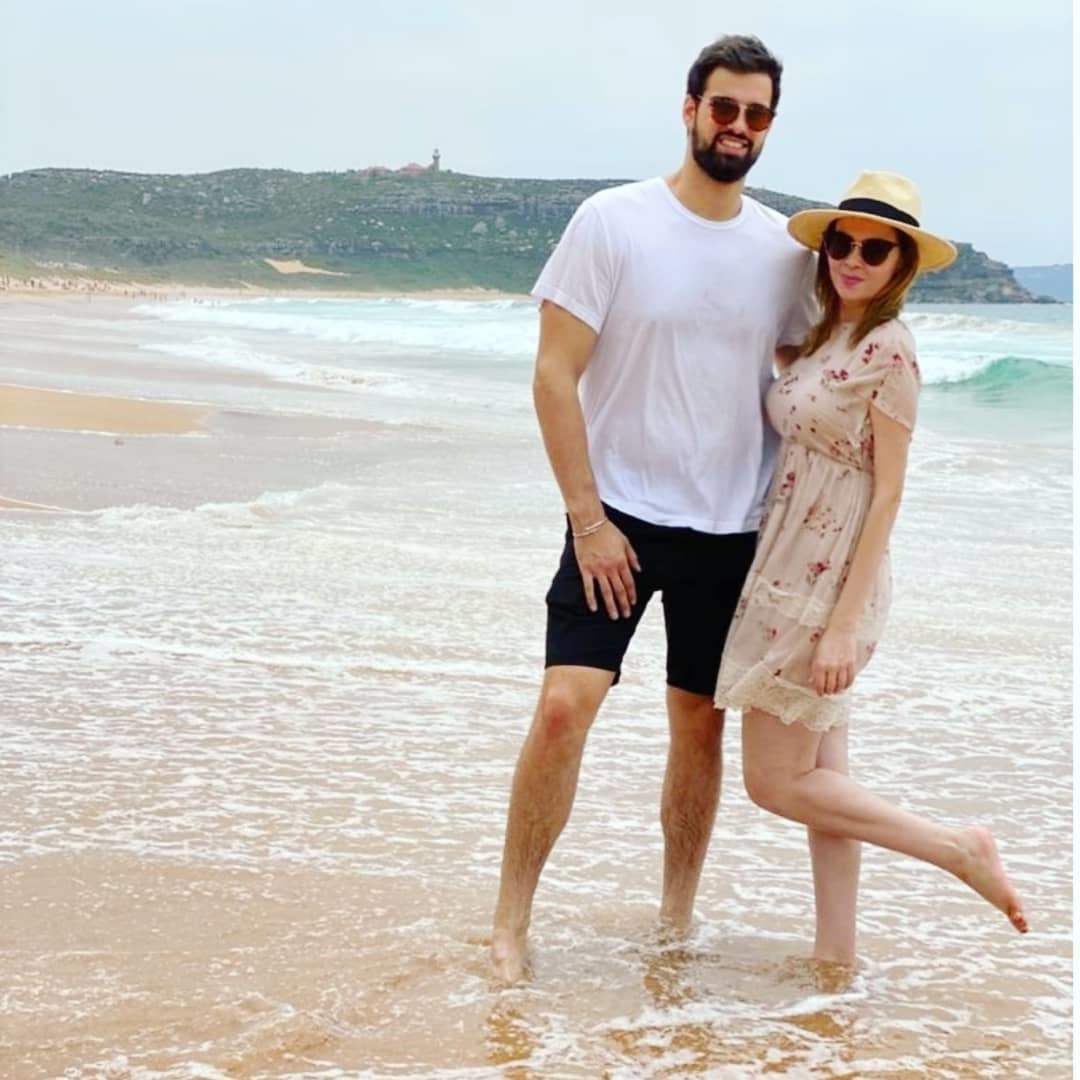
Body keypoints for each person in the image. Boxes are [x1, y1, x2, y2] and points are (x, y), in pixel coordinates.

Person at [491, 34, 862, 985]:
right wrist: (587, 520)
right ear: (690, 109)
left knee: (698, 725)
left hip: (735, 529)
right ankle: (510, 924)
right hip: (616, 519)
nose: (738, 126)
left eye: (756, 114)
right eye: (723, 107)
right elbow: (553, 375)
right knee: (564, 709)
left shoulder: (781, 251)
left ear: (769, 126)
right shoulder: (610, 222)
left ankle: (674, 922)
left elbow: (809, 383)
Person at [715, 171, 1028, 939]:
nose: (853, 260)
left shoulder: (892, 351)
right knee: (827, 783)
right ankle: (837, 957)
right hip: (784, 566)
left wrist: (843, 625)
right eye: (842, 244)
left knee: (774, 782)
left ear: (901, 264)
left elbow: (888, 494)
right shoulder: (824, 337)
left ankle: (956, 849)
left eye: (875, 249)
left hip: (826, 586)